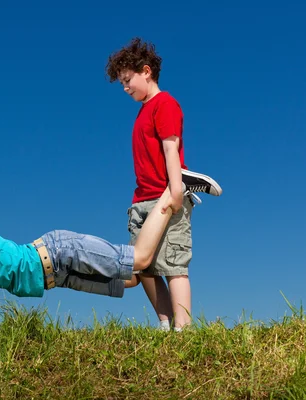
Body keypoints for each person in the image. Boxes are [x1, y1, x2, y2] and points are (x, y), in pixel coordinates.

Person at [0, 172, 220, 328]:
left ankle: (171, 190)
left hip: (59, 251)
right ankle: (159, 225)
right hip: (58, 278)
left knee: (143, 259)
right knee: (135, 277)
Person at [105, 38, 222, 331]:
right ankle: (165, 322)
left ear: (146, 71)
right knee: (142, 267)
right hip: (141, 202)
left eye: (128, 80)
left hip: (165, 197)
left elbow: (172, 149)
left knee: (174, 266)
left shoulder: (165, 104)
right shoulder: (142, 111)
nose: (125, 87)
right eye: (121, 83)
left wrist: (175, 193)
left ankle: (183, 328)